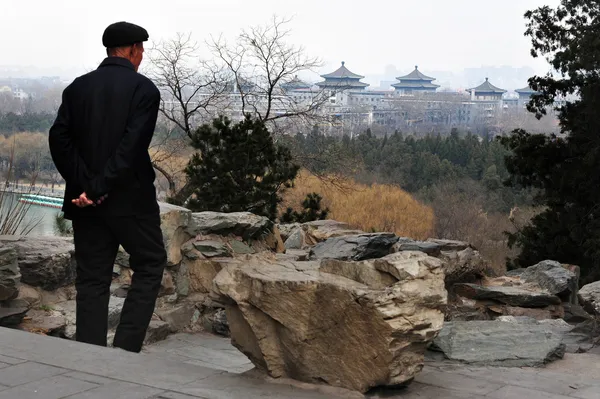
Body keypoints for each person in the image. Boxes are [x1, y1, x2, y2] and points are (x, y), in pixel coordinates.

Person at [48, 21, 167, 353]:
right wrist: (99, 187)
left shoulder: (77, 88)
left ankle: (90, 358)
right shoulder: (144, 90)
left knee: (92, 279)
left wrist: (85, 187)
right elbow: (130, 148)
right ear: (132, 50)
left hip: (87, 204)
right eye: (141, 49)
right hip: (131, 202)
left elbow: (58, 138)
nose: (142, 55)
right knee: (150, 263)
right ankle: (126, 349)